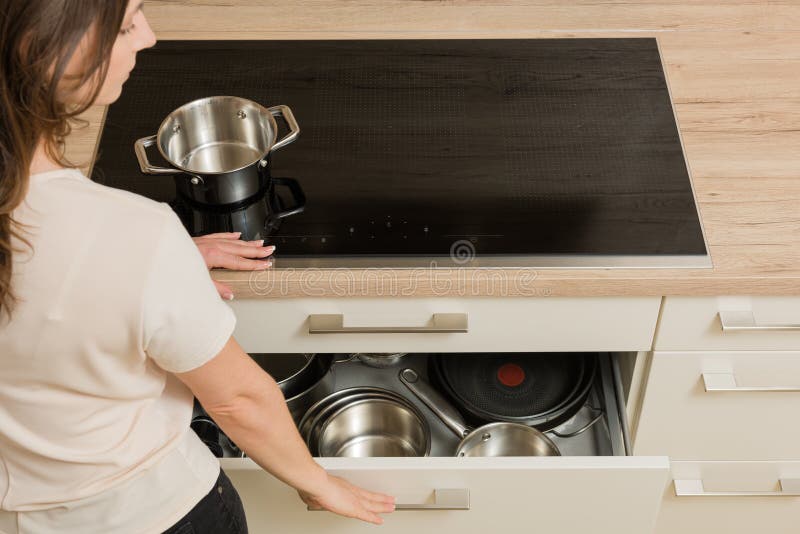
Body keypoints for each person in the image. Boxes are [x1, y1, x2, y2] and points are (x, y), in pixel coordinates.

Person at [0, 1, 396, 533]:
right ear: (54, 56)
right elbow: (238, 401)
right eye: (127, 23)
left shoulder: (122, 241)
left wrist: (148, 274)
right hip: (155, 513)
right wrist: (318, 482)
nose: (149, 37)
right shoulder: (135, 235)